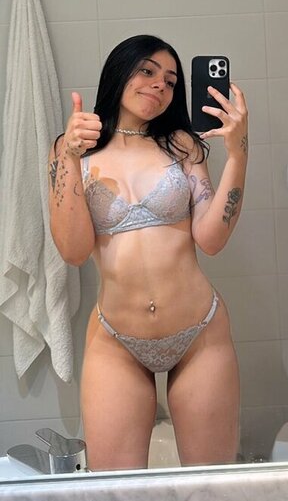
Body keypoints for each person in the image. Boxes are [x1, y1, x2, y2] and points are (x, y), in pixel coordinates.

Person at [48, 35, 248, 471]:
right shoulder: (73, 147)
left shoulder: (182, 145)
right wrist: (69, 157)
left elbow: (212, 239)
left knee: (211, 487)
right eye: (148, 71)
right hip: (116, 340)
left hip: (200, 333)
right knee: (117, 491)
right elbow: (73, 250)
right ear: (120, 72)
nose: (161, 84)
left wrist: (238, 153)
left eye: (171, 80)